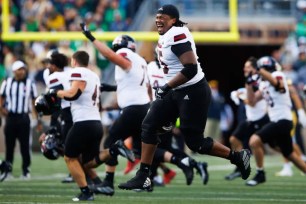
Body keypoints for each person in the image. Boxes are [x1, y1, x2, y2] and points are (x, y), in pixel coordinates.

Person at [115, 4, 251, 191]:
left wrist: (167, 86)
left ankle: (237, 156)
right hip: (176, 90)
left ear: (173, 20)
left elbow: (191, 68)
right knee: (148, 126)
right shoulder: (166, 35)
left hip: (192, 90)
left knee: (195, 142)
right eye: (156, 17)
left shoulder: (176, 34)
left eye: (163, 17)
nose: (158, 20)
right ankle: (144, 176)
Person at [45, 51, 134, 201]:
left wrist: (55, 92)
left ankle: (86, 192)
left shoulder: (79, 72)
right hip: (95, 122)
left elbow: (73, 94)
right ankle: (113, 149)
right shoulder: (94, 75)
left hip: (83, 122)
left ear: (74, 61)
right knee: (88, 162)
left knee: (69, 158)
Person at [246, 56, 306, 186]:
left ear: (264, 68)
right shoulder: (263, 83)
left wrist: (260, 71)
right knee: (290, 154)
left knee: (254, 141)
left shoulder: (278, 75)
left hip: (282, 120)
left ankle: (260, 173)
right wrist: (249, 84)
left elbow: (279, 86)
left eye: (259, 70)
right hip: (278, 121)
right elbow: (252, 101)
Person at [225, 57, 269, 180]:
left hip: (262, 118)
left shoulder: (259, 81)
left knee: (278, 146)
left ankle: (300, 159)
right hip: (251, 119)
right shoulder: (252, 80)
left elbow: (251, 102)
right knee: (234, 139)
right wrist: (240, 93)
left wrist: (241, 96)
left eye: (248, 67)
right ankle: (242, 166)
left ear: (255, 69)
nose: (245, 69)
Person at [0, 60, 41, 180]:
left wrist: (37, 120)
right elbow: (1, 98)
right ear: (14, 71)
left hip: (24, 118)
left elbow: (34, 103)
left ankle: (26, 170)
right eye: (19, 69)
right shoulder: (7, 82)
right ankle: (7, 171)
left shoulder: (30, 83)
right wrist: (2, 110)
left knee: (24, 146)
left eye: (23, 69)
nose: (22, 71)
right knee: (9, 146)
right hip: (11, 117)